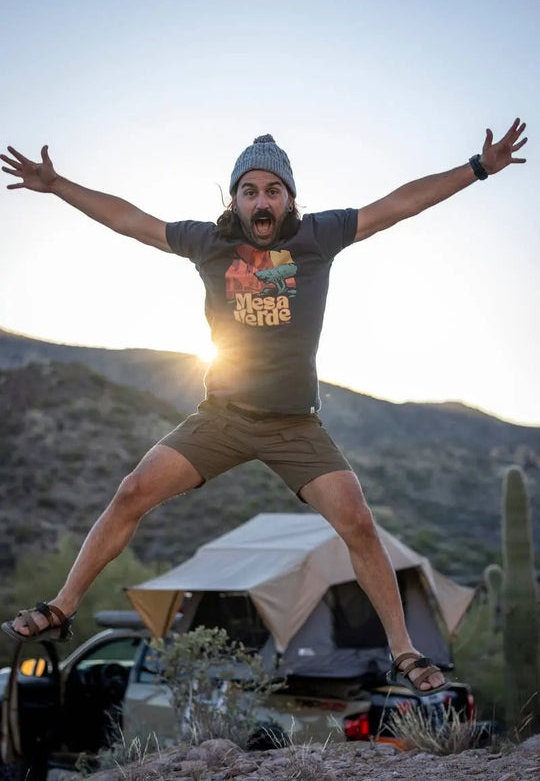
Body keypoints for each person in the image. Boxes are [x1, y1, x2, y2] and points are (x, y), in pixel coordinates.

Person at [0, 121, 527, 694]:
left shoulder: (320, 236)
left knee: (358, 522)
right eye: (249, 190)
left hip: (295, 426)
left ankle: (403, 651)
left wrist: (477, 168)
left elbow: (398, 205)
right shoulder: (208, 242)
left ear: (289, 199)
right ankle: (62, 607)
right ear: (235, 199)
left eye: (273, 190)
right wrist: (59, 185)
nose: (261, 201)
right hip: (221, 419)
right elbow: (131, 221)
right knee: (132, 492)